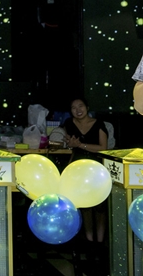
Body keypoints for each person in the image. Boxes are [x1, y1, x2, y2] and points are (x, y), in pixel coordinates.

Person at [61, 97, 108, 269]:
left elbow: (103, 148)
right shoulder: (69, 123)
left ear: (87, 107)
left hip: (97, 167)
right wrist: (70, 144)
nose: (78, 110)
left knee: (100, 207)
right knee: (86, 206)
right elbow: (67, 143)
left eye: (80, 106)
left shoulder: (99, 124)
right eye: (73, 107)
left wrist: (81, 145)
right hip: (78, 168)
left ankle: (100, 245)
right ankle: (89, 245)